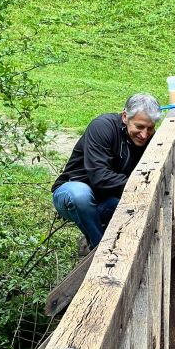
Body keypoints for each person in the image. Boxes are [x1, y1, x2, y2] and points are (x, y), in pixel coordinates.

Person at [52, 93, 161, 250]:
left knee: (132, 210)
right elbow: (99, 177)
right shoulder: (102, 127)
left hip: (106, 200)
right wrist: (141, 186)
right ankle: (99, 249)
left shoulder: (150, 139)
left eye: (150, 128)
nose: (144, 134)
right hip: (70, 194)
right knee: (80, 194)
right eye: (139, 127)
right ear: (125, 117)